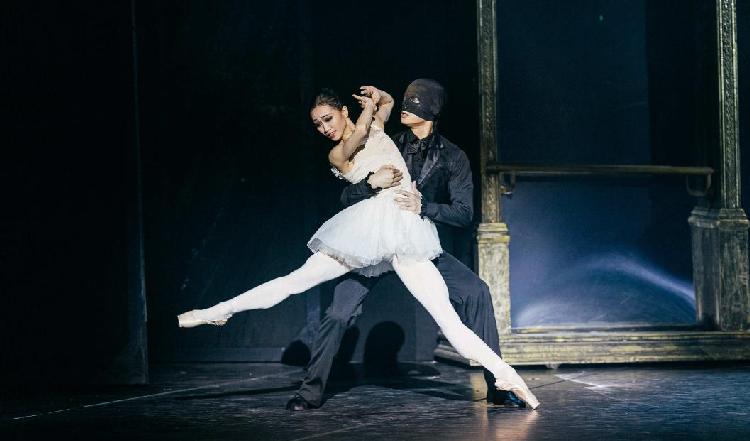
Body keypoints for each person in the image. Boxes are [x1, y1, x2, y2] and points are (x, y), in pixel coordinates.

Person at [177, 85, 539, 410]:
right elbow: (358, 148)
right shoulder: (340, 153)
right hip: (365, 236)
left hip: (406, 235)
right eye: (318, 124)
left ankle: (506, 378)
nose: (324, 128)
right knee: (306, 289)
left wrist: (380, 99)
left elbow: (459, 209)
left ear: (343, 111)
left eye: (328, 119)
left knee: (455, 311)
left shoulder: (442, 152)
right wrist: (371, 179)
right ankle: (220, 311)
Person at [287, 79, 520, 411]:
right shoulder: (384, 141)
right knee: (339, 312)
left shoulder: (453, 157)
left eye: (415, 102)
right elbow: (346, 196)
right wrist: (372, 183)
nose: (406, 107)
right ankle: (309, 392)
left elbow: (464, 213)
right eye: (406, 101)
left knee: (477, 292)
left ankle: (498, 387)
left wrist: (425, 207)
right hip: (373, 244)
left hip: (415, 245)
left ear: (431, 110)